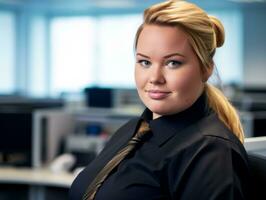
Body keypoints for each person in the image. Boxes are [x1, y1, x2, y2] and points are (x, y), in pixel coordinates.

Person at [69, 0, 251, 199]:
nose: (154, 78)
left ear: (206, 68)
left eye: (173, 63)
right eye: (144, 62)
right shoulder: (133, 130)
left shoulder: (211, 152)